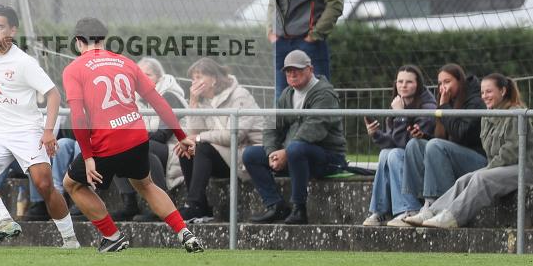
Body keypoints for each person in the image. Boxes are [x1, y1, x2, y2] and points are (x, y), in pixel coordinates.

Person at [61, 17, 204, 253]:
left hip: (106, 142)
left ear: (78, 42)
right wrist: (181, 136)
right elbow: (159, 102)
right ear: (104, 40)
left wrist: (87, 156)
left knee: (73, 185)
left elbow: (78, 116)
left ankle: (112, 236)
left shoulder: (73, 69)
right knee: (146, 184)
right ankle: (184, 233)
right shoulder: (125, 62)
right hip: (136, 137)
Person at [0, 5, 79, 248]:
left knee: (44, 185)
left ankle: (70, 240)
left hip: (28, 132)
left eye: (0, 27)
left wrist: (48, 132)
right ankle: (5, 221)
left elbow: (54, 94)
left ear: (12, 30)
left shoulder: (25, 63)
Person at [420, 73, 533, 228]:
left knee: (481, 178)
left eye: (489, 92)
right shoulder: (486, 116)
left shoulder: (515, 114)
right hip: (502, 168)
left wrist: (486, 170)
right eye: (482, 92)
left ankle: (452, 217)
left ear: (503, 91)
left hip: (526, 170)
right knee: (464, 180)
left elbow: (510, 153)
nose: (484, 96)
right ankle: (433, 211)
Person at [242, 50, 346, 224]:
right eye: (288, 71)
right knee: (250, 154)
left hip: (328, 159)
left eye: (297, 69)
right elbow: (271, 126)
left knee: (297, 149)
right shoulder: (287, 94)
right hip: (295, 155)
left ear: (310, 69)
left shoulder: (324, 94)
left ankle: (299, 208)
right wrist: (272, 152)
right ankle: (275, 205)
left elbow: (312, 129)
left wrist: (286, 153)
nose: (292, 74)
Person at [178, 57, 262, 223]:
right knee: (186, 149)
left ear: (214, 79)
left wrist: (199, 137)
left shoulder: (239, 95)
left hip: (246, 154)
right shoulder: (203, 102)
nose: (194, 82)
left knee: (202, 147)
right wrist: (193, 103)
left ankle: (193, 204)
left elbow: (234, 135)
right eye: (193, 78)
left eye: (199, 77)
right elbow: (195, 132)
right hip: (223, 155)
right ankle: (200, 208)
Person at [402, 63, 487, 226]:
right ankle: (415, 206)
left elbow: (462, 135)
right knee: (415, 144)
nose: (443, 87)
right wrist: (424, 136)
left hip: (478, 162)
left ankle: (434, 205)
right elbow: (446, 139)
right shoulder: (451, 100)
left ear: (459, 81)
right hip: (456, 156)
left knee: (434, 145)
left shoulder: (475, 102)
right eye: (440, 83)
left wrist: (443, 107)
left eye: (447, 82)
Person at [111, 57, 187, 222]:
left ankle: (162, 207)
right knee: (115, 147)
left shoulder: (171, 96)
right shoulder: (134, 99)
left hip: (173, 147)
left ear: (160, 77)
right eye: (140, 75)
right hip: (150, 145)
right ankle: (129, 204)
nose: (143, 79)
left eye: (149, 74)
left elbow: (162, 135)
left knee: (142, 147)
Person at [361, 65, 436, 227]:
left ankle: (411, 209)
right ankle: (380, 211)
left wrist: (401, 115)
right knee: (385, 154)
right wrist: (376, 134)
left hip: (425, 166)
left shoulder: (428, 107)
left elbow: (407, 144)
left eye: (409, 82)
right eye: (400, 81)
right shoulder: (398, 104)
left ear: (418, 85)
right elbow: (393, 141)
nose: (403, 85)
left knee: (394, 154)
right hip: (403, 158)